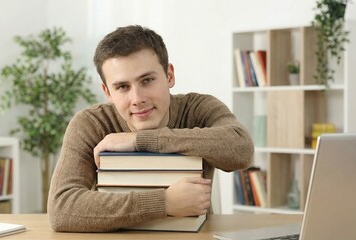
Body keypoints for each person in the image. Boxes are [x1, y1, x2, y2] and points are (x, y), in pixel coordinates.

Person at [48, 25, 254, 232]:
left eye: (147, 80)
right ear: (107, 92)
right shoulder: (90, 123)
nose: (137, 99)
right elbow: (61, 209)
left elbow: (241, 149)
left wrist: (140, 140)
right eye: (122, 87)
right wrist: (164, 203)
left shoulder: (199, 108)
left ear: (169, 75)